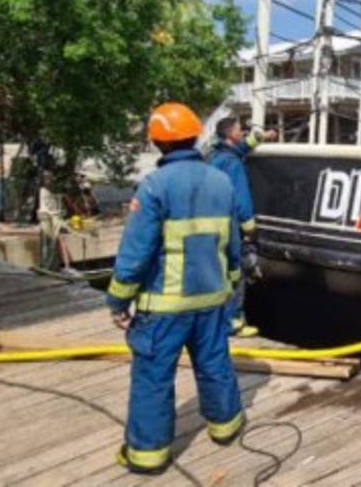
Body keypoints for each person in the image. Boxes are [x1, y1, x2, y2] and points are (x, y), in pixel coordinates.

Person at [107, 102, 244, 475]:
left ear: (156, 141)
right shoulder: (221, 180)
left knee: (153, 379)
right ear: (195, 135)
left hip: (164, 309)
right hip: (213, 302)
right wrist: (232, 291)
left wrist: (118, 299)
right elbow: (233, 246)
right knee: (215, 364)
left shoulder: (154, 185)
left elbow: (135, 253)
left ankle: (147, 456)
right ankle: (226, 427)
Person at [208, 117, 276, 338]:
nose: (243, 132)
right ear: (231, 134)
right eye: (240, 130)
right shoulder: (234, 164)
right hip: (231, 226)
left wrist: (261, 137)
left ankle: (216, 319)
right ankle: (234, 322)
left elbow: (241, 148)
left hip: (212, 225)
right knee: (235, 273)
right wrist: (250, 228)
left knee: (217, 271)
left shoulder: (214, 157)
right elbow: (241, 198)